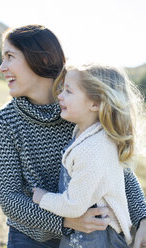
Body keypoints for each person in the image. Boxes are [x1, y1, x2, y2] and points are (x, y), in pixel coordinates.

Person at [0, 24, 146, 248]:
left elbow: (118, 171)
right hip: (30, 238)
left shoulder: (79, 109)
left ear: (41, 59)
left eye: (10, 56)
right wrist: (66, 221)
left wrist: (143, 218)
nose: (2, 66)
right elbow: (10, 199)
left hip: (89, 238)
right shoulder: (4, 122)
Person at [32, 63, 145, 247]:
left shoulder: (94, 148)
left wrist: (42, 197)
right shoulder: (86, 134)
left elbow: (73, 205)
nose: (59, 96)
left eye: (68, 91)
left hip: (98, 238)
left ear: (95, 103)